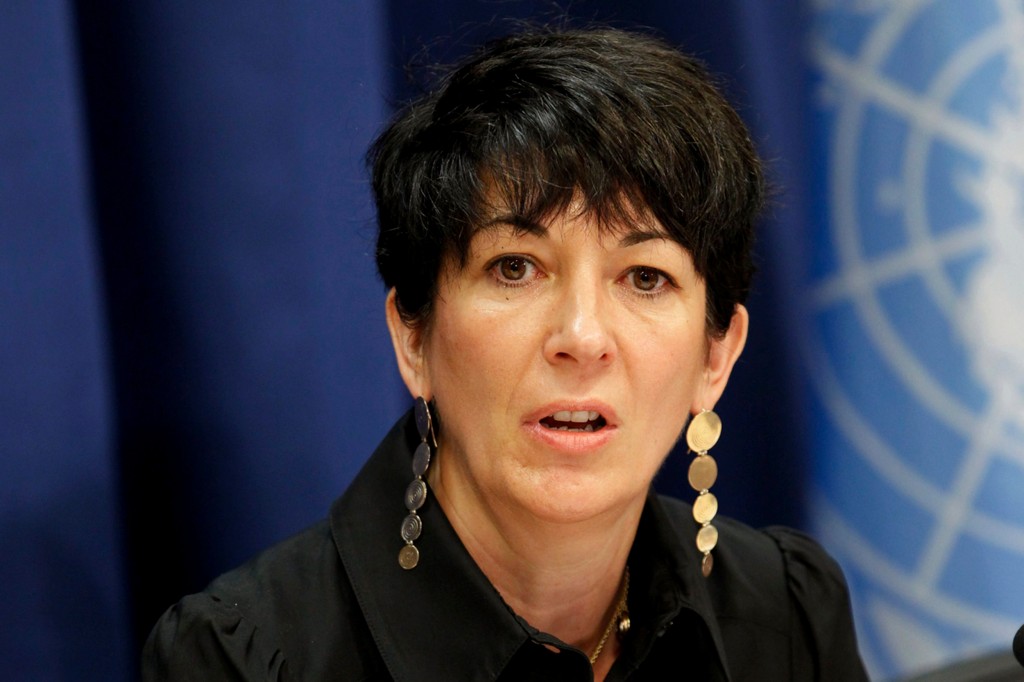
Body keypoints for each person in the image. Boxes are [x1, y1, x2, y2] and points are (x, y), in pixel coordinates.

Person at [142, 27, 869, 681]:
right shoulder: (245, 660)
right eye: (514, 267)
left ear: (717, 357)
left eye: (645, 277)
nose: (582, 337)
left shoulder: (788, 613)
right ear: (414, 337)